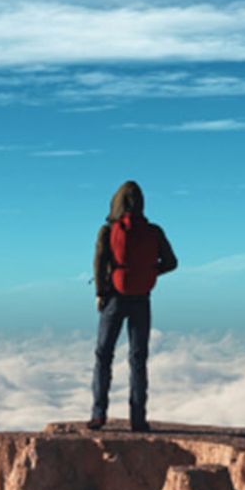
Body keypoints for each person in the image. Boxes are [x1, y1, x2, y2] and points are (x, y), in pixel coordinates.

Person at [89, 180, 177, 432]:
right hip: (142, 298)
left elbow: (99, 261)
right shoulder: (154, 231)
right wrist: (149, 272)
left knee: (103, 355)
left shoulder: (108, 231)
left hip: (114, 297)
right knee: (138, 359)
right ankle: (138, 419)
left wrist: (100, 291)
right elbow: (172, 262)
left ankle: (98, 415)